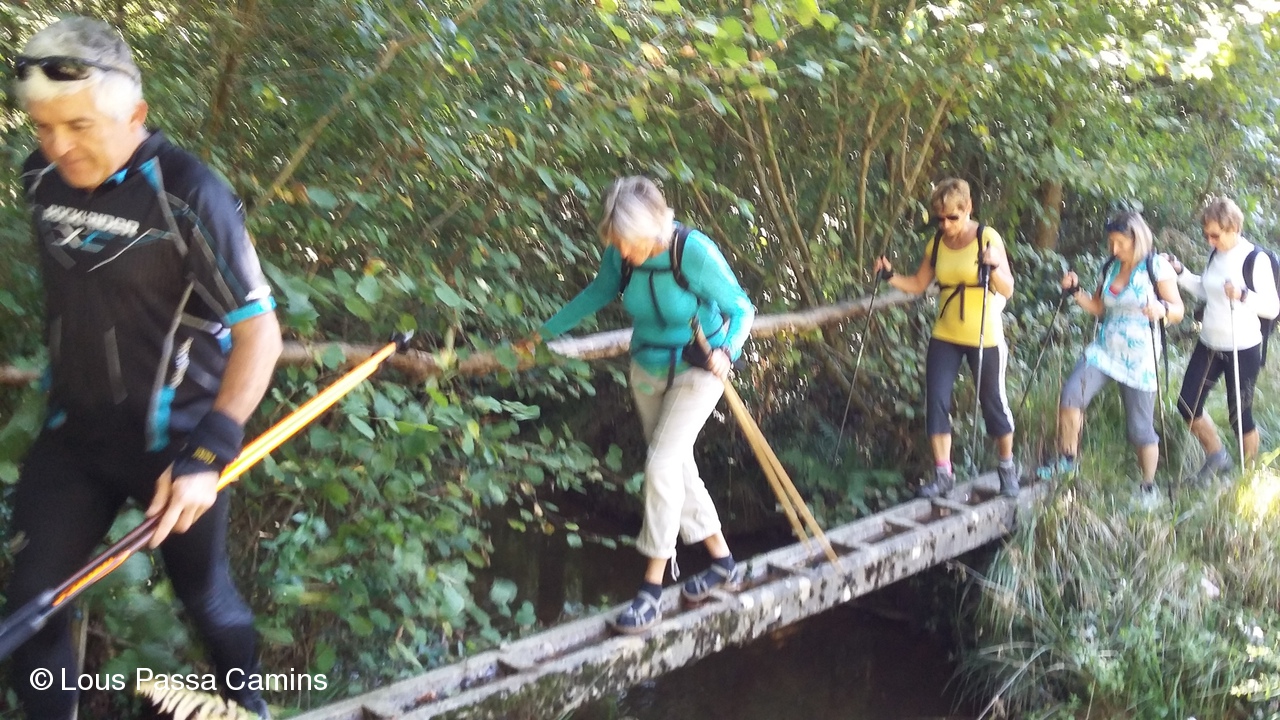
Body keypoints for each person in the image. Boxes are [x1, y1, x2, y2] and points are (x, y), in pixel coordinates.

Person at [7, 17, 282, 719]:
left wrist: (209, 451)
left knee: (205, 597)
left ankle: (248, 706)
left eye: (79, 125)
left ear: (135, 114)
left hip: (174, 444)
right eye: (42, 127)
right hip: (75, 437)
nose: (58, 146)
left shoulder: (189, 193)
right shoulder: (39, 178)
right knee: (31, 609)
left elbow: (260, 332)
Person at [527, 176, 755, 634]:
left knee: (661, 465)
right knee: (676, 469)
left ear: (651, 228)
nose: (622, 253)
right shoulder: (620, 251)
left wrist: (727, 351)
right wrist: (542, 334)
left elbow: (741, 308)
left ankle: (651, 589)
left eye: (627, 243)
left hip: (697, 368)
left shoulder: (692, 251)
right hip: (647, 369)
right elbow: (597, 292)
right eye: (616, 243)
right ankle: (724, 564)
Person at [873, 178, 1019, 497]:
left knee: (992, 402)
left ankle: (1007, 467)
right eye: (940, 218)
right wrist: (889, 275)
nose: (946, 224)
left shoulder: (986, 238)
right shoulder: (937, 243)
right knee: (936, 400)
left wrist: (994, 267)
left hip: (984, 334)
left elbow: (1007, 288)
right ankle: (943, 474)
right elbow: (918, 284)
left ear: (968, 209)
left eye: (953, 217)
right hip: (946, 333)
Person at [1036, 212, 1184, 494]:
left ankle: (1148, 486)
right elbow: (1098, 307)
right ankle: (1067, 462)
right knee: (1071, 396)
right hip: (1104, 351)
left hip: (1140, 358)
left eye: (1120, 243)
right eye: (1111, 242)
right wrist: (1075, 291)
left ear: (1137, 240)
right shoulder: (1111, 267)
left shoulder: (1156, 267)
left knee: (1140, 429)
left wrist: (1162, 309)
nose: (1114, 249)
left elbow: (1178, 311)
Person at [1165, 197, 1280, 482]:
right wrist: (1180, 273)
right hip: (1209, 344)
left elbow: (1272, 307)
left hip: (1243, 347)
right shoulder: (1215, 254)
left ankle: (1248, 478)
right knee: (1187, 405)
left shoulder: (1255, 259)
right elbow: (1207, 290)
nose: (1210, 241)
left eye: (1215, 235)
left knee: (1239, 416)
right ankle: (1218, 456)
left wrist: (1243, 295)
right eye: (1206, 234)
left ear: (1234, 228)